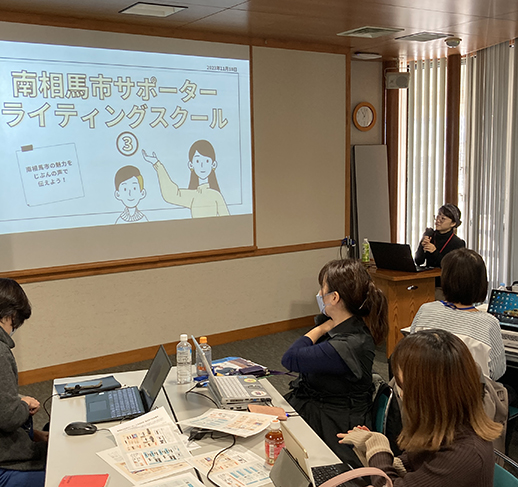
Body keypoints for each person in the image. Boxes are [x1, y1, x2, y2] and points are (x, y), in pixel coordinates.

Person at [338, 329, 502, 487]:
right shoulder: (443, 425)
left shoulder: (464, 453)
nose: (401, 393)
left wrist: (376, 445)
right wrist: (373, 452)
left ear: (429, 393)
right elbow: (410, 464)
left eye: (404, 387)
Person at [281, 259, 388, 465]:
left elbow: (291, 358)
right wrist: (325, 325)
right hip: (320, 407)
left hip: (333, 422)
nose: (319, 294)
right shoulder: (344, 327)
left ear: (334, 297)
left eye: (323, 288)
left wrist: (320, 328)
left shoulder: (348, 344)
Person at [410, 248, 505, 381]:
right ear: (481, 282)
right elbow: (497, 371)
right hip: (469, 392)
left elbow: (411, 351)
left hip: (425, 388)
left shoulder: (425, 310)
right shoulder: (489, 323)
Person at [0, 278, 47, 486]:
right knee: (71, 472)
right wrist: (24, 404)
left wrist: (33, 434)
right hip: (5, 466)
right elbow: (8, 417)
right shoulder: (0, 353)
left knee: (51, 433)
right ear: (10, 315)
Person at [142, 140, 230, 218]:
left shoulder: (216, 195)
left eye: (207, 161)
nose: (202, 165)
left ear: (213, 164)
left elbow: (227, 221)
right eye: (197, 161)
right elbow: (171, 195)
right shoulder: (193, 195)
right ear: (191, 165)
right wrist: (157, 164)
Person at [415, 203, 465, 268]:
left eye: (443, 219)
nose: (438, 220)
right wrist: (422, 245)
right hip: (429, 274)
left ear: (453, 223)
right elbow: (418, 261)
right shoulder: (430, 235)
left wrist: (434, 252)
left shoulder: (458, 243)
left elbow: (451, 267)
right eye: (437, 216)